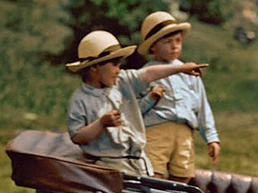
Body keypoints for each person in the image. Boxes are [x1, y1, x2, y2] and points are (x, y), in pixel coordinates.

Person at [66, 29, 209, 175]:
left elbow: (148, 73)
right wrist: (101, 124)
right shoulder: (80, 99)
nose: (118, 70)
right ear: (94, 67)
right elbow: (77, 136)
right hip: (108, 165)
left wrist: (182, 68)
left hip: (139, 162)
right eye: (114, 64)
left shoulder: (122, 81)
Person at [138, 11, 220, 179]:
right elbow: (132, 110)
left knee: (183, 175)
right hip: (156, 130)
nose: (174, 46)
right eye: (168, 42)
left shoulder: (189, 71)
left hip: (184, 133)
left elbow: (202, 106)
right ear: (153, 45)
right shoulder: (145, 74)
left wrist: (211, 138)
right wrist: (150, 99)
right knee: (152, 173)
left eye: (178, 41)